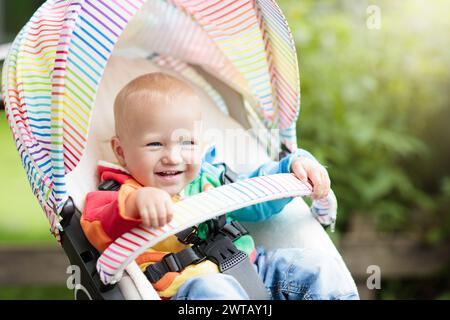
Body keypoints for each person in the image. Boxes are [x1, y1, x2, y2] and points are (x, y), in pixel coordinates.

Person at [81, 72, 358, 300]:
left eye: (186, 142)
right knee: (212, 290)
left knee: (320, 270)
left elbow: (257, 195)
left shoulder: (210, 179)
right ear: (121, 151)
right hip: (191, 294)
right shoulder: (120, 194)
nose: (173, 156)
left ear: (200, 144)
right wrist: (134, 206)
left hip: (255, 270)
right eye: (155, 144)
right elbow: (98, 225)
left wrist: (294, 167)